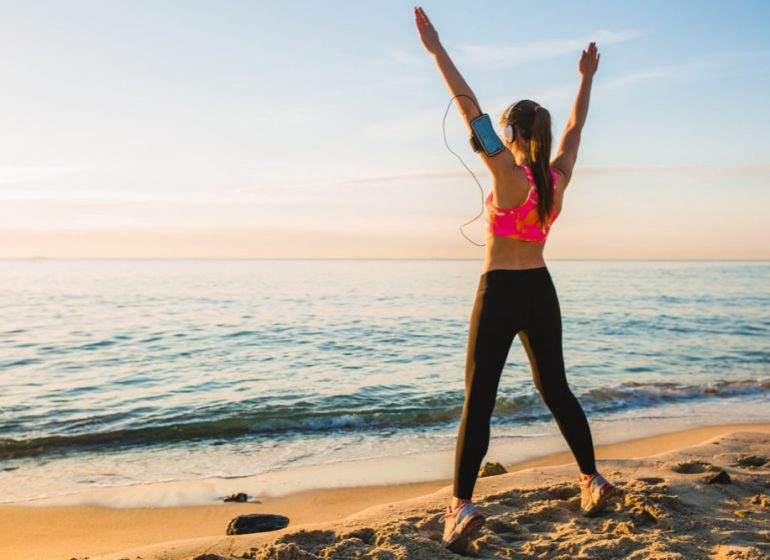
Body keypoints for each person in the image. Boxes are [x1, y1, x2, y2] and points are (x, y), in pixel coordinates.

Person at [414, 6, 617, 553]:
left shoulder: (506, 173)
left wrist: (436, 53)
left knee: (478, 400)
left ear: (513, 133)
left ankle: (460, 507)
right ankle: (591, 478)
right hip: (541, 291)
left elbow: (469, 112)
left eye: (504, 129)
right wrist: (586, 79)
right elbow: (576, 129)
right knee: (556, 390)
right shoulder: (557, 178)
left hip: (500, 290)